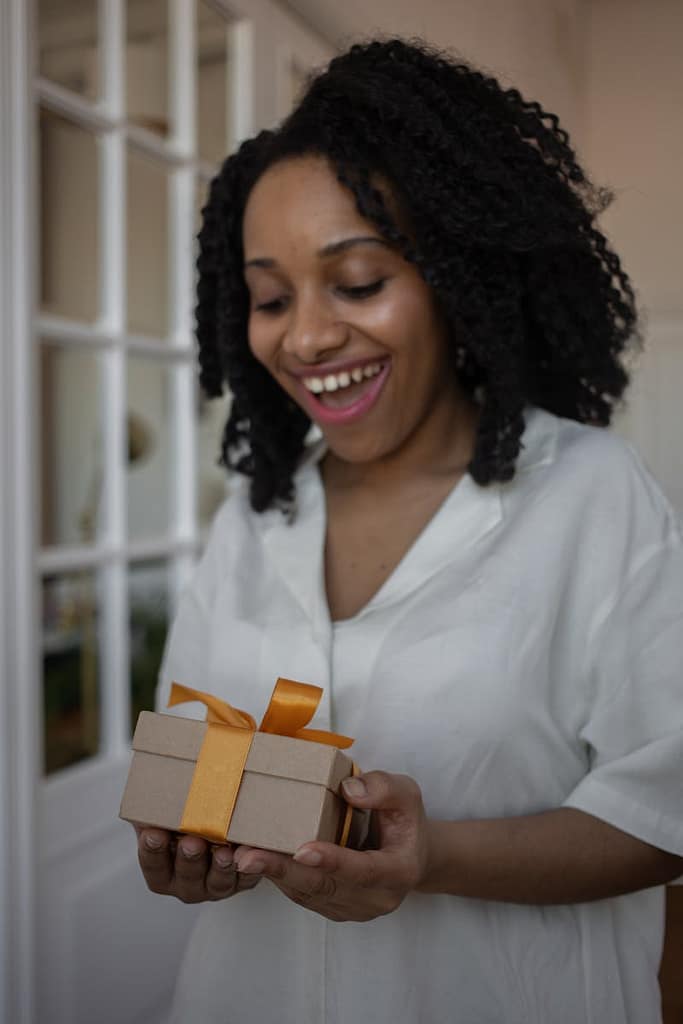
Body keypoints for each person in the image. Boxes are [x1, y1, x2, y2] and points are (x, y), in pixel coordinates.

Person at [137, 38, 683, 1024]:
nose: (303, 338)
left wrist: (435, 856)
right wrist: (187, 845)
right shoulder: (256, 517)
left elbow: (667, 812)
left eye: (353, 281)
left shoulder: (593, 499)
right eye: (269, 297)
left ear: (455, 282)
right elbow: (192, 750)